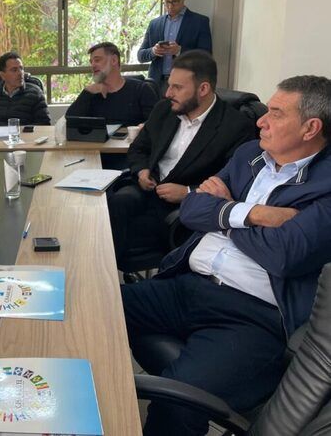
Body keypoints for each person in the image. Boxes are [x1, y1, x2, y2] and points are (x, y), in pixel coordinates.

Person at [122, 75, 331, 435]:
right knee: (88, 309)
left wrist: (224, 213)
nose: (261, 121)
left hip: (251, 316)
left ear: (310, 128)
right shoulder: (250, 155)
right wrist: (255, 214)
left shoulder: (325, 185)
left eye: (276, 113)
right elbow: (192, 209)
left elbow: (285, 254)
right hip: (186, 286)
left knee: (178, 402)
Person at [108, 50, 254, 269]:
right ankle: (101, 275)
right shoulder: (164, 109)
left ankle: (109, 281)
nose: (168, 93)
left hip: (182, 207)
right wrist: (142, 171)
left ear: (203, 89)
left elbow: (233, 182)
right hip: (148, 188)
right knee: (110, 208)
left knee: (120, 233)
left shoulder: (235, 127)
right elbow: (139, 149)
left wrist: (188, 192)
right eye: (169, 85)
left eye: (177, 87)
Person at [137, 0, 212, 91]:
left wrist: (180, 51)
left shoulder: (200, 22)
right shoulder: (154, 24)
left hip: (185, 85)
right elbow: (140, 56)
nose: (170, 6)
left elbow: (206, 57)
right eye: (167, 2)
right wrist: (153, 51)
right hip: (156, 85)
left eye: (175, 2)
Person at [66, 42, 157, 126]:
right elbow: (70, 120)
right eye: (91, 62)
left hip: (132, 138)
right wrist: (86, 92)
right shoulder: (92, 94)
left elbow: (156, 123)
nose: (93, 65)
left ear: (114, 60)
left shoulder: (141, 90)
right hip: (100, 139)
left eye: (97, 60)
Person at [0, 52, 51, 126]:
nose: (20, 73)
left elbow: (44, 123)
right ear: (3, 75)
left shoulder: (35, 93)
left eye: (21, 68)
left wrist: (23, 131)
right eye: (14, 70)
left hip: (23, 135)